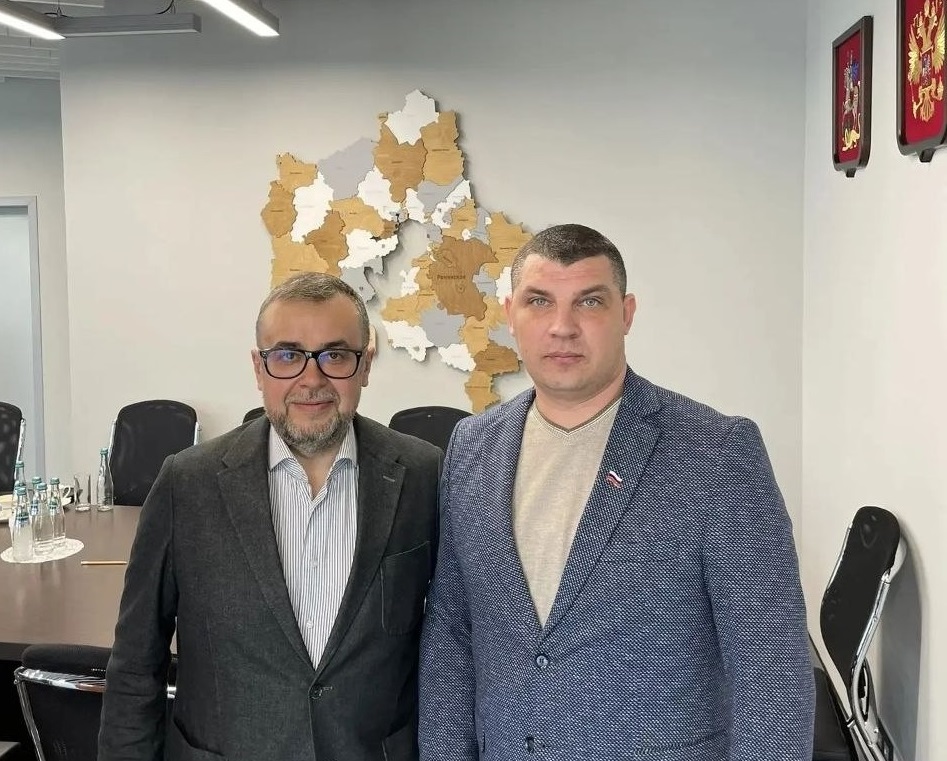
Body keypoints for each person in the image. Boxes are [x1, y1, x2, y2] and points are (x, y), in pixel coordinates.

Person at [418, 224, 814, 760]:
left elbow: (770, 669)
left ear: (626, 314)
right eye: (539, 301)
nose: (562, 327)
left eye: (589, 302)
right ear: (510, 313)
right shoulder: (471, 446)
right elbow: (452, 630)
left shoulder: (717, 451)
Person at [99, 273, 441, 761]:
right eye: (286, 356)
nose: (311, 380)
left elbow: (454, 644)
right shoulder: (187, 483)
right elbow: (136, 663)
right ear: (259, 368)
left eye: (335, 356)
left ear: (365, 365)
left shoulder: (424, 475)